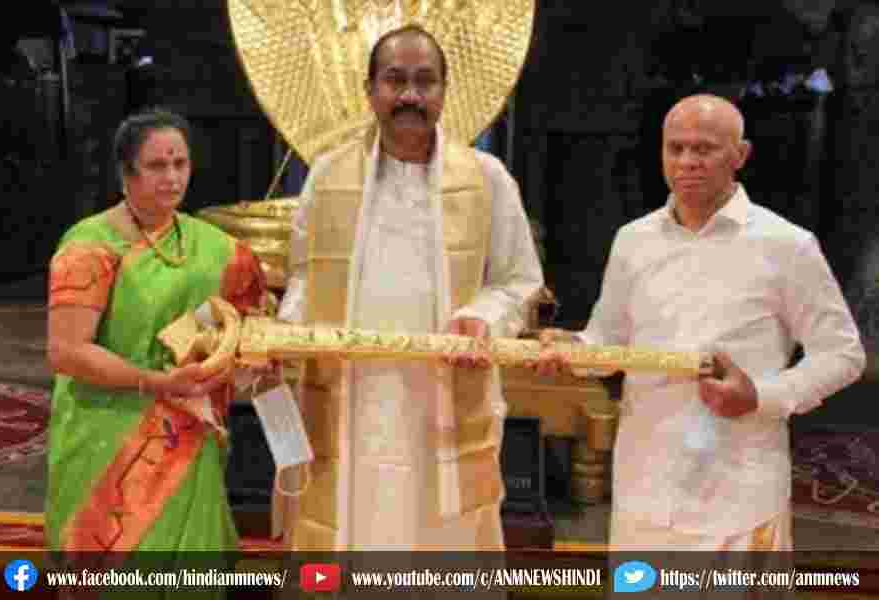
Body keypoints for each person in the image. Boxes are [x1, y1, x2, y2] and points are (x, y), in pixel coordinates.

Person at [536, 94, 865, 553]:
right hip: (644, 488)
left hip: (738, 495)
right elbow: (606, 343)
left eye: (704, 149)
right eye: (676, 148)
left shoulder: (787, 245)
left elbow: (843, 354)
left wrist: (761, 396)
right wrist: (573, 351)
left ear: (740, 154)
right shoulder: (633, 240)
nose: (687, 161)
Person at [272, 24, 544, 550]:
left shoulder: (486, 178)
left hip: (445, 401)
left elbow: (519, 281)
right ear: (370, 89)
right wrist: (286, 336)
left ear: (444, 90)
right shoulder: (327, 175)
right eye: (395, 80)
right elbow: (304, 276)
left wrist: (483, 319)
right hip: (352, 402)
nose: (410, 95)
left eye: (425, 81)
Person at [45, 109, 269, 578]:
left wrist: (245, 359)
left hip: (190, 431)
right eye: (156, 166)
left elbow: (245, 319)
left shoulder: (215, 247)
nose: (172, 177)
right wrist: (158, 382)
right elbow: (67, 351)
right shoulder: (90, 246)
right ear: (126, 172)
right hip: (108, 437)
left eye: (180, 164)